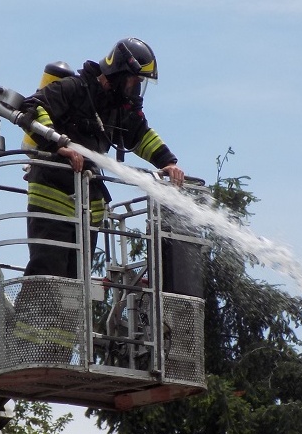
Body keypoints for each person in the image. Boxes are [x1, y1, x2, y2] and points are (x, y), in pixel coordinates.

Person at [11, 38, 186, 359]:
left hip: (87, 203)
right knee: (48, 270)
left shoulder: (118, 109)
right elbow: (32, 108)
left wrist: (168, 162)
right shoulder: (74, 90)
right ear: (120, 72)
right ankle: (23, 346)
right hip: (52, 192)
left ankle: (57, 353)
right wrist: (58, 146)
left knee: (75, 284)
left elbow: (141, 136)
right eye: (135, 80)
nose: (136, 89)